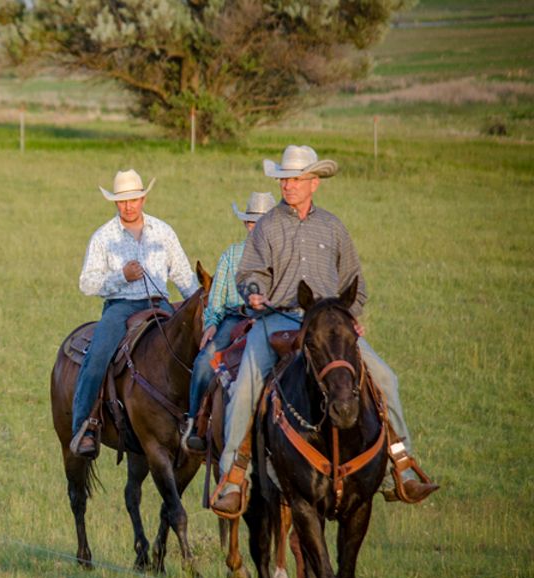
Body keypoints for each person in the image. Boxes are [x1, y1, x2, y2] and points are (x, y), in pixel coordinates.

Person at [209, 145, 439, 515]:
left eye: (296, 179)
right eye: (284, 179)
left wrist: (350, 316)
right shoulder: (267, 225)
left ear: (314, 182)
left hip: (329, 326)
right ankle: (233, 476)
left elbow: (355, 282)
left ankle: (401, 464)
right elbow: (248, 272)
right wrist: (253, 292)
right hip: (278, 318)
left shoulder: (333, 227)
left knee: (385, 379)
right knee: (247, 385)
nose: (288, 186)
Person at [69, 169, 199, 459]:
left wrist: (203, 305)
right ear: (115, 203)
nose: (128, 206)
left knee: (194, 348)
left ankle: (198, 422)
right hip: (121, 307)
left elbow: (182, 274)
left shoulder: (163, 232)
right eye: (122, 201)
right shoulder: (103, 237)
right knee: (98, 355)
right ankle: (84, 426)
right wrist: (121, 277)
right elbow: (87, 282)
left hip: (160, 304)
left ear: (143, 198)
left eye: (133, 199)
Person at [182, 193, 274, 451]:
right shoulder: (232, 255)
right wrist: (211, 323)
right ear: (246, 224)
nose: (256, 227)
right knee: (204, 361)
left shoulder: (280, 255)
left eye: (262, 222)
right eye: (251, 222)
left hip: (269, 318)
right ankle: (194, 423)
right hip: (234, 317)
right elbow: (218, 298)